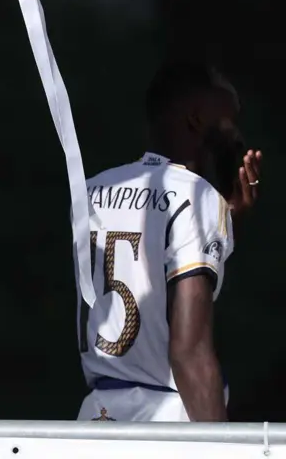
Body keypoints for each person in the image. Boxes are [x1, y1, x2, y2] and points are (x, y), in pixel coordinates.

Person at [75, 61, 262, 422]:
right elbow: (188, 353)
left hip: (97, 419)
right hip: (167, 423)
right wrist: (222, 450)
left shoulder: (93, 191)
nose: (238, 136)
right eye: (229, 121)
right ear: (196, 119)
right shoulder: (197, 197)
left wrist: (224, 226)